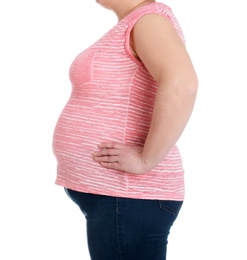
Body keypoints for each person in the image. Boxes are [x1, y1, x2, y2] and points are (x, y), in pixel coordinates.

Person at [52, 0, 198, 259]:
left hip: (128, 196)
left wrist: (146, 159)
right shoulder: (138, 21)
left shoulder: (149, 19)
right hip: (118, 198)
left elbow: (182, 82)